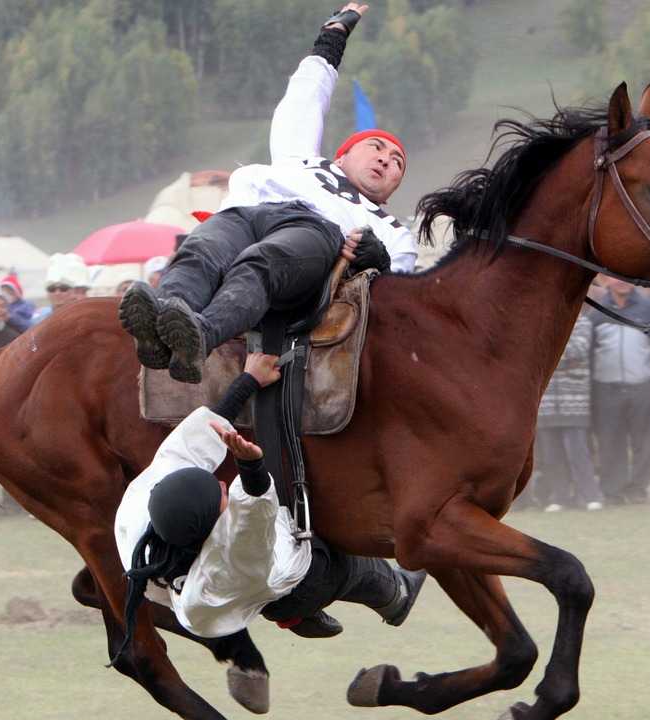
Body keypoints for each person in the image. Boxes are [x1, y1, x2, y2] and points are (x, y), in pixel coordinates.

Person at [119, 3, 417, 383]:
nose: (385, 160)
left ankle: (202, 336)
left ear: (391, 192)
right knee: (201, 249)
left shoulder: (392, 229)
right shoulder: (300, 159)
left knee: (261, 263)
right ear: (341, 156)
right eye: (376, 147)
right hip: (248, 211)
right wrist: (332, 38)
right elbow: (305, 99)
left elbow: (404, 288)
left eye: (397, 163)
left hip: (316, 232)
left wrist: (382, 262)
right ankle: (158, 331)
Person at [116, 352, 425, 650]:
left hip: (249, 579)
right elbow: (254, 516)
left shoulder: (140, 511)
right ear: (211, 528)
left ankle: (286, 611)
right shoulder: (222, 572)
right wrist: (251, 467)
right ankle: (395, 597)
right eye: (220, 493)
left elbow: (184, 450)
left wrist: (248, 379)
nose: (223, 483)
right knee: (361, 574)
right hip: (298, 580)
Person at [589, 276, 650, 505]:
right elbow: (591, 352)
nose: (621, 282)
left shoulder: (648, 309)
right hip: (607, 388)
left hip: (642, 386)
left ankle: (638, 489)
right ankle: (613, 491)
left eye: (626, 278)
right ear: (606, 280)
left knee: (643, 442)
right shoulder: (598, 311)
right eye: (615, 277)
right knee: (610, 442)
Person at [536, 306, 602, 512]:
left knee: (577, 451)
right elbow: (535, 352)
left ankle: (589, 495)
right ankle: (561, 497)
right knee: (551, 453)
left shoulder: (582, 322)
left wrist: (551, 350)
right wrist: (558, 354)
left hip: (574, 402)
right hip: (546, 403)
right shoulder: (541, 324)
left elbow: (578, 349)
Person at [33, 253, 87, 323]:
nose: (57, 293)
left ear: (73, 291)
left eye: (63, 288)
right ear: (47, 292)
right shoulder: (38, 318)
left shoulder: (84, 317)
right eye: (51, 289)